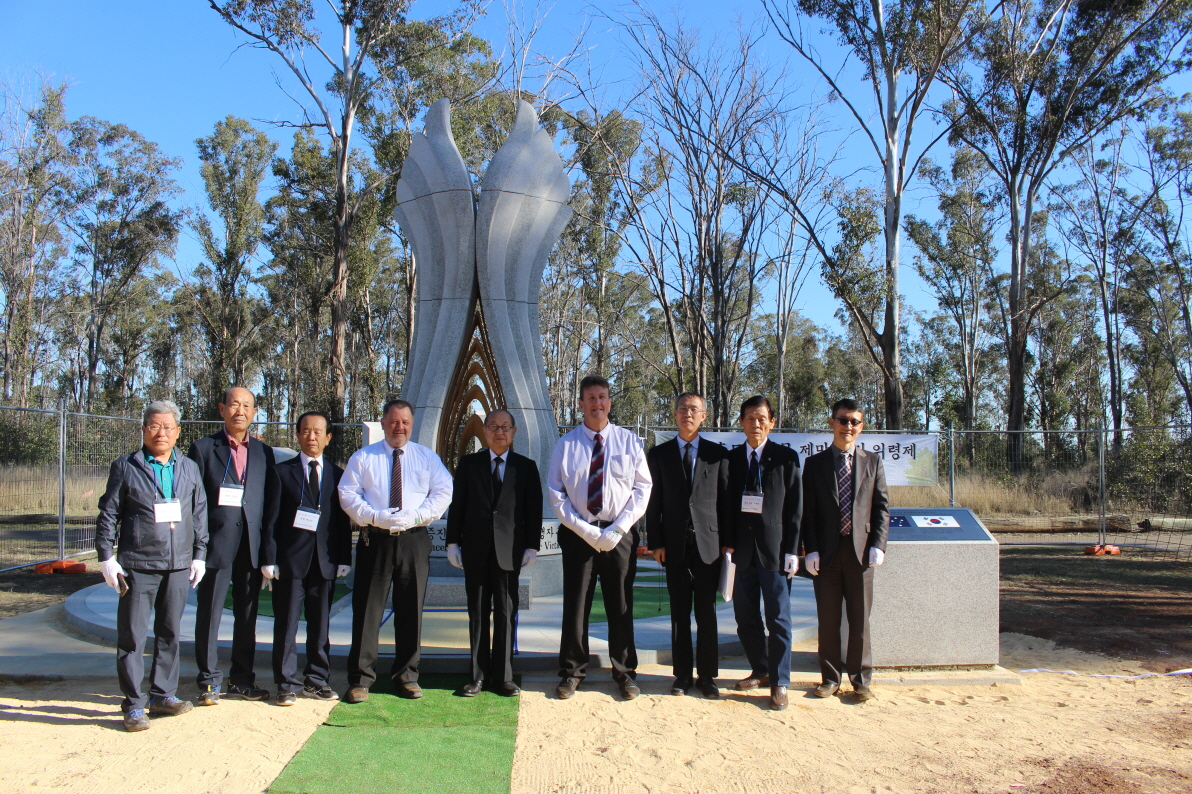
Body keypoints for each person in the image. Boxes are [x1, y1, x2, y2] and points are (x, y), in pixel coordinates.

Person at [95, 400, 208, 731]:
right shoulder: (126, 466)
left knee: (170, 633)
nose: (161, 433)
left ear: (178, 432)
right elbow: (109, 513)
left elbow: (198, 511)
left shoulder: (188, 467)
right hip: (138, 565)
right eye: (154, 426)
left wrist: (199, 553)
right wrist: (106, 557)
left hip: (177, 566)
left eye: (168, 427)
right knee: (132, 637)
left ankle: (163, 695)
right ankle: (133, 704)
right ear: (144, 430)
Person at [339, 398, 452, 703]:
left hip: (414, 539)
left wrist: (418, 515)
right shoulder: (363, 458)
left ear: (411, 425)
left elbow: (444, 490)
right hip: (374, 539)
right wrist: (373, 516)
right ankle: (361, 679)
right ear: (383, 422)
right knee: (367, 611)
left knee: (411, 609)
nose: (398, 427)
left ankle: (407, 676)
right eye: (393, 421)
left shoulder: (426, 458)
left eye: (404, 422)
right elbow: (347, 494)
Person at [549, 375, 652, 701]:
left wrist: (619, 528)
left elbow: (642, 488)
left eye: (602, 397)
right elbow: (556, 493)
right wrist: (587, 530)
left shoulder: (629, 442)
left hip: (618, 536)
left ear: (609, 402)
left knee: (620, 605)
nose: (597, 403)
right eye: (590, 398)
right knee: (575, 606)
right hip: (579, 535)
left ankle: (624, 673)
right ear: (580, 404)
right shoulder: (566, 445)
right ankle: (572, 672)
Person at [187, 386, 280, 705]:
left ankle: (241, 679)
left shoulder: (263, 453)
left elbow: (270, 507)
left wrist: (269, 553)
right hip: (216, 545)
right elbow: (193, 503)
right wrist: (196, 550)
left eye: (247, 406)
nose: (240, 410)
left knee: (247, 615)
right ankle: (208, 682)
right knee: (209, 614)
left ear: (255, 413)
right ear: (222, 409)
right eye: (234, 405)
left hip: (251, 548)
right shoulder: (202, 449)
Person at [445, 409, 543, 697]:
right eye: (493, 427)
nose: (499, 432)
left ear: (513, 432)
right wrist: (453, 542)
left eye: (505, 427)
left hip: (509, 553)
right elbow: (457, 506)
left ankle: (504, 677)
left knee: (505, 612)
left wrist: (532, 546)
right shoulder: (468, 464)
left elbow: (533, 510)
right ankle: (476, 676)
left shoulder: (525, 467)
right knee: (477, 614)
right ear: (484, 432)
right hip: (475, 551)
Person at [260, 411, 352, 705]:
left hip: (324, 563)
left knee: (320, 626)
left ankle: (317, 679)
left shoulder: (338, 475)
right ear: (297, 434)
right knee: (286, 625)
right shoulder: (281, 472)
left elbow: (340, 523)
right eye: (306, 431)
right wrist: (269, 559)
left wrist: (343, 558)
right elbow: (270, 520)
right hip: (289, 564)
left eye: (318, 432)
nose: (311, 437)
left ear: (328, 438)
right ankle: (286, 682)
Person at [801, 398, 889, 701]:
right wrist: (809, 549)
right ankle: (830, 677)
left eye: (854, 421)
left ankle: (861, 679)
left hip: (861, 554)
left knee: (860, 619)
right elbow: (807, 512)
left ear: (861, 426)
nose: (847, 426)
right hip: (825, 554)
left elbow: (881, 509)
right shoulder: (814, 464)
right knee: (828, 619)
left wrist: (878, 544)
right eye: (842, 420)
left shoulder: (873, 462)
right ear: (832, 423)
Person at [645, 392, 728, 699]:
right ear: (675, 413)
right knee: (679, 614)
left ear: (703, 416)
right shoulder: (659, 455)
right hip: (674, 546)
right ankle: (681, 675)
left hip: (708, 547)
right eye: (682, 409)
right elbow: (653, 504)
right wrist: (656, 542)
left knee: (706, 613)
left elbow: (725, 503)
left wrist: (726, 544)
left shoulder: (718, 455)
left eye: (694, 410)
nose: (687, 414)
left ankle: (707, 676)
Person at [721, 395, 801, 711]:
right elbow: (726, 506)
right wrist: (727, 543)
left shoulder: (787, 458)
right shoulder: (732, 460)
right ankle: (761, 669)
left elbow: (796, 509)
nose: (756, 423)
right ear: (741, 422)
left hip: (776, 553)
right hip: (742, 554)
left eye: (762, 417)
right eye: (750, 418)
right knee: (745, 617)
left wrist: (794, 550)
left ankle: (781, 682)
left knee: (779, 619)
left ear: (772, 422)